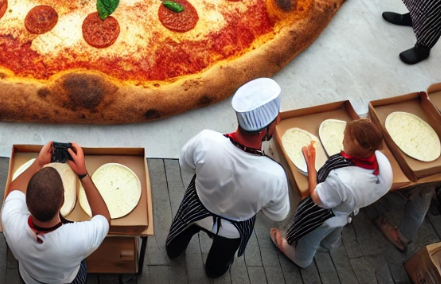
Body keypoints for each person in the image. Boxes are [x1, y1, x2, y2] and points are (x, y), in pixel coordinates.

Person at [165, 79, 289, 279]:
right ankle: (214, 270)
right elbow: (278, 214)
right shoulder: (275, 176)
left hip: (195, 208)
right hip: (234, 228)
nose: (278, 120)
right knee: (218, 266)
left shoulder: (206, 140)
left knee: (176, 242)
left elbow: (185, 164)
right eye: (276, 119)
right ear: (262, 131)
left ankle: (174, 250)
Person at [271, 119, 392, 269]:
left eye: (345, 137)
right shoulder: (384, 163)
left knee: (311, 239)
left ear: (355, 142)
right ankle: (326, 246)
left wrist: (311, 164)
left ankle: (298, 256)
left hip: (325, 218)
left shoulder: (340, 180)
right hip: (348, 211)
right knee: (335, 231)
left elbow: (317, 198)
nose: (342, 139)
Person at [1, 141, 110, 284]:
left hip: (29, 278)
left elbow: (13, 193)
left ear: (26, 202)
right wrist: (83, 175)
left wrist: (38, 163)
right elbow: (104, 219)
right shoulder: (77, 239)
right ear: (63, 201)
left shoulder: (10, 222)